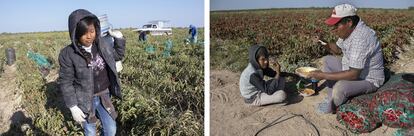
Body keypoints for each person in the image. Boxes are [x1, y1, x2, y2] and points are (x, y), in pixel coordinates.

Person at [58, 9, 125, 136]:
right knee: (90, 132)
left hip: (104, 94)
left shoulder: (102, 44)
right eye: (84, 33)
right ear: (75, 34)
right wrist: (73, 106)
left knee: (111, 130)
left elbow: (116, 56)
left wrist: (119, 39)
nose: (89, 36)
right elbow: (66, 82)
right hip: (84, 98)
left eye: (92, 31)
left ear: (96, 29)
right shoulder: (68, 54)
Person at [308, 4, 385, 114]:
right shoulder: (349, 31)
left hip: (368, 79)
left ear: (349, 22)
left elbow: (354, 74)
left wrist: (322, 75)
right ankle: (331, 98)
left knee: (340, 87)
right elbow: (338, 50)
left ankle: (332, 107)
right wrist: (322, 42)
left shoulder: (361, 38)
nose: (334, 29)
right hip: (352, 69)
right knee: (328, 60)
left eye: (336, 25)